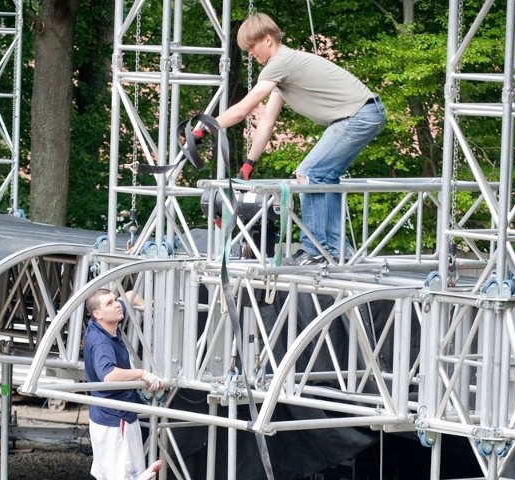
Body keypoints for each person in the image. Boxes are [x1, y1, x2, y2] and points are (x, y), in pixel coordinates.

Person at [193, 12, 386, 265]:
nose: (252, 54)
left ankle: (315, 249)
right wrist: (249, 164)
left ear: (268, 39)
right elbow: (267, 121)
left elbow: (243, 109)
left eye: (252, 47)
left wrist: (204, 128)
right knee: (325, 178)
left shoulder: (281, 63)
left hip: (358, 115)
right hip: (365, 113)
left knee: (309, 173)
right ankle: (338, 249)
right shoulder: (285, 72)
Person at [83, 288, 164, 480]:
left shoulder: (105, 324)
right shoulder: (102, 341)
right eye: (109, 303)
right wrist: (143, 374)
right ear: (97, 314)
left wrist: (150, 313)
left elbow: (129, 294)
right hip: (115, 419)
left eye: (114, 300)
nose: (117, 305)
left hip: (111, 416)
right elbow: (109, 375)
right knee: (124, 475)